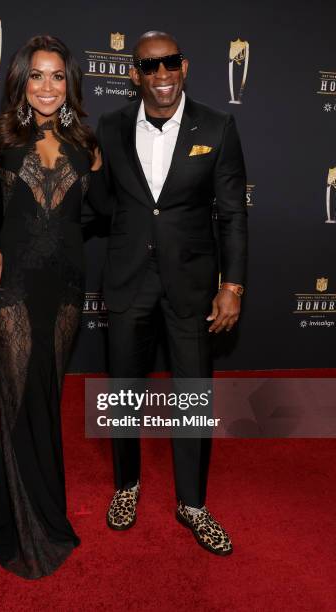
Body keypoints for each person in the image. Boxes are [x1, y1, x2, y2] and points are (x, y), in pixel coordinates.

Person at [95, 31, 247, 555]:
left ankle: (192, 503)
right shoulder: (110, 128)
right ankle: (127, 487)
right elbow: (97, 202)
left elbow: (232, 215)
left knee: (192, 396)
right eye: (149, 66)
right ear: (134, 73)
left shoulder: (218, 125)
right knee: (124, 394)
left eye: (171, 64)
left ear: (185, 66)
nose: (162, 76)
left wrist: (232, 284)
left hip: (192, 284)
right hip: (128, 279)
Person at [0, 35, 102, 579]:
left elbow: (97, 216)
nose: (47, 86)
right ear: (21, 81)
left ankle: (36, 503)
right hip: (12, 284)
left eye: (57, 76)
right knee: (18, 396)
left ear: (69, 83)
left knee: (46, 395)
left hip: (66, 285)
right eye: (37, 76)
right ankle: (27, 526)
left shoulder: (87, 143)